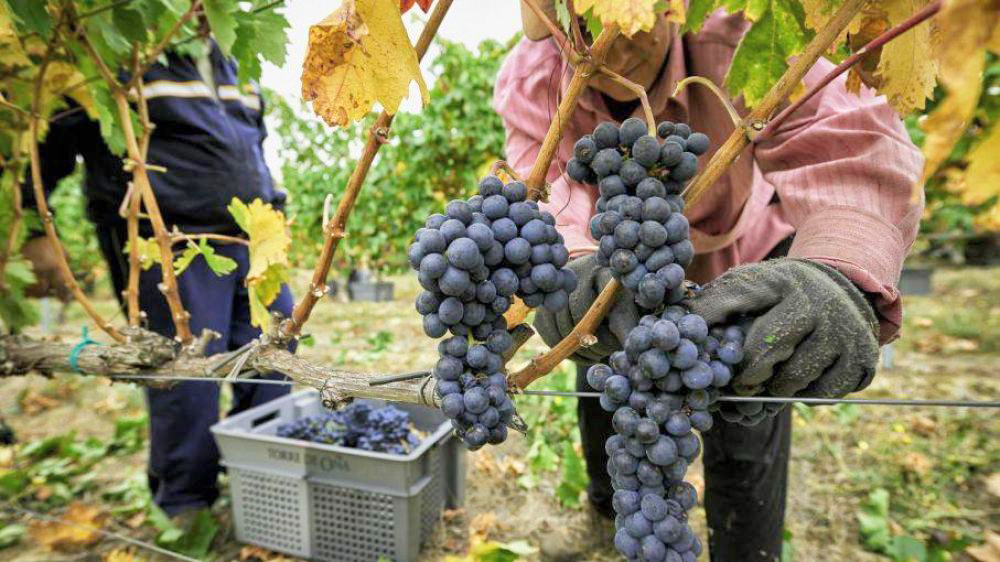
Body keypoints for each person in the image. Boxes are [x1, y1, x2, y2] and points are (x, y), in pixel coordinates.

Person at [494, 4, 923, 561]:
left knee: (745, 432)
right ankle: (604, 521)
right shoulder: (535, 79)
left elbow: (845, 142)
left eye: (628, 16)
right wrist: (569, 264)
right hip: (617, 278)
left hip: (751, 267)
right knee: (611, 402)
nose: (611, 45)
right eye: (584, 24)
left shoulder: (748, 37)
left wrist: (837, 268)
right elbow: (549, 190)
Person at [22, 38, 293, 518]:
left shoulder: (234, 59)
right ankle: (185, 504)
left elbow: (251, 149)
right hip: (167, 243)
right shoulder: (123, 48)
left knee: (272, 361)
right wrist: (31, 225)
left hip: (251, 240)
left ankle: (261, 485)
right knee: (186, 376)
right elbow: (47, 140)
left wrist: (274, 212)